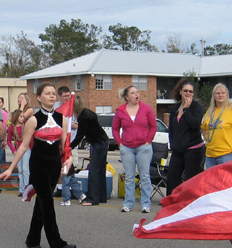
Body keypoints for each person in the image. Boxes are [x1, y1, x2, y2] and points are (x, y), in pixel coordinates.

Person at [0, 83, 76, 248]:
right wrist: (11, 168)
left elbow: (64, 145)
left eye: (53, 93)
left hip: (54, 166)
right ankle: (58, 246)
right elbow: (24, 146)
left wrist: (68, 159)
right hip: (38, 166)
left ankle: (32, 240)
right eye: (47, 93)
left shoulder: (61, 118)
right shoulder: (33, 120)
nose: (51, 96)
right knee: (48, 204)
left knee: (42, 203)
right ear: (39, 97)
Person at [112, 85, 156, 213]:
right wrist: (119, 143)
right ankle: (128, 203)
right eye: (133, 93)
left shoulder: (146, 109)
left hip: (144, 147)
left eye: (137, 92)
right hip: (127, 148)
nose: (136, 95)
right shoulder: (120, 111)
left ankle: (146, 204)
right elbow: (115, 128)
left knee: (145, 176)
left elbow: (153, 126)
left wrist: (149, 140)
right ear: (127, 97)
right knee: (129, 177)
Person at [166, 79, 205, 195]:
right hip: (178, 150)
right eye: (185, 91)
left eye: (190, 91)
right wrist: (173, 144)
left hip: (193, 149)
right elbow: (172, 129)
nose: (188, 93)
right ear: (180, 92)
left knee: (191, 179)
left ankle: (189, 204)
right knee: (172, 177)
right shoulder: (175, 108)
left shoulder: (196, 107)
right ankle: (171, 204)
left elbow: (194, 124)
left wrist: (187, 109)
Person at [70, 94, 109, 205]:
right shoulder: (87, 113)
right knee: (100, 170)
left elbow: (79, 135)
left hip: (99, 143)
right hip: (102, 141)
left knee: (94, 170)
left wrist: (69, 146)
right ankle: (101, 197)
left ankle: (93, 199)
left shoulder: (83, 117)